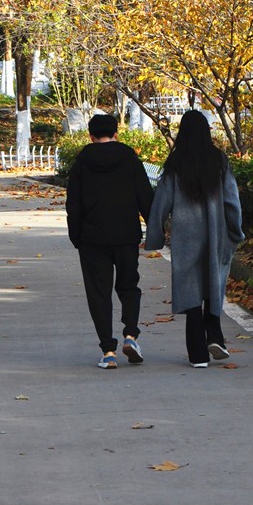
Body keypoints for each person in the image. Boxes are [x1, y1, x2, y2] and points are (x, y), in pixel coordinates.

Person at [144, 108, 244, 367]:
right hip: (216, 234)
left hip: (186, 237)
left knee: (190, 291)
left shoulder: (176, 163)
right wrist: (235, 230)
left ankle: (198, 354)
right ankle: (215, 336)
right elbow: (232, 201)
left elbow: (161, 204)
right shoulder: (219, 160)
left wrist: (154, 237)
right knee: (213, 283)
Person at [66, 112, 155, 369]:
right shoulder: (129, 158)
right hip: (126, 235)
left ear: (91, 136)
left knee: (99, 293)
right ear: (116, 133)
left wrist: (77, 237)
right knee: (129, 286)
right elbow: (144, 196)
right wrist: (155, 228)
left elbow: (73, 204)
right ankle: (131, 334)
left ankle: (108, 351)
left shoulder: (82, 162)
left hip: (93, 240)